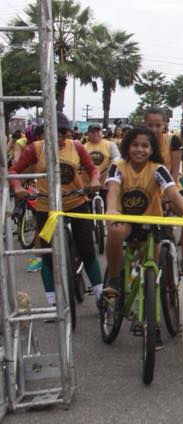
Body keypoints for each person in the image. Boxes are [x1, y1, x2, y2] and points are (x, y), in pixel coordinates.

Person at [9, 113, 104, 307]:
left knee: (87, 251)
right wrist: (17, 187)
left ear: (66, 133)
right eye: (52, 133)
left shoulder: (76, 146)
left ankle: (101, 296)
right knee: (47, 255)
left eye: (62, 133)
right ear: (44, 133)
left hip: (76, 204)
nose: (58, 138)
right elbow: (13, 171)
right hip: (47, 208)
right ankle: (52, 302)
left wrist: (94, 181)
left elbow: (92, 169)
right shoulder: (35, 149)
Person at [102, 128, 183, 308]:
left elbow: (172, 192)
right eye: (135, 145)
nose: (139, 149)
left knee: (152, 267)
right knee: (114, 231)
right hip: (126, 222)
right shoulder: (118, 166)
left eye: (145, 146)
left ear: (152, 150)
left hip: (151, 222)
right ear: (127, 147)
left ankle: (150, 314)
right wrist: (112, 210)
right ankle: (114, 279)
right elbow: (113, 190)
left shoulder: (158, 169)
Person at [143, 107, 183, 276]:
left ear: (165, 124)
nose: (154, 129)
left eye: (158, 125)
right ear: (144, 124)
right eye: (150, 125)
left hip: (169, 189)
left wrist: (168, 195)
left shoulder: (172, 141)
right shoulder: (139, 141)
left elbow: (174, 173)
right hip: (144, 191)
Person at [81, 124, 120, 188]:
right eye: (93, 132)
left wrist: (111, 168)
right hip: (87, 184)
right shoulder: (83, 147)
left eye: (98, 131)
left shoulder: (110, 144)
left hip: (104, 184)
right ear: (88, 134)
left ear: (102, 132)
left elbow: (117, 158)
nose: (95, 134)